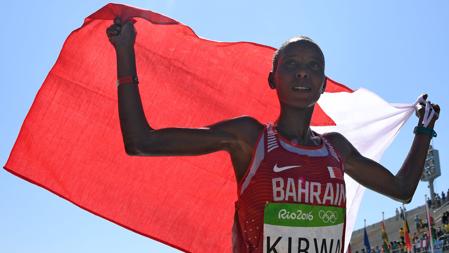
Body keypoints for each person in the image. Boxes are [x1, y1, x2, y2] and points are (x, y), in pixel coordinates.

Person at [106, 17, 440, 253]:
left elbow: (401, 190)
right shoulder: (249, 138)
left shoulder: (336, 149)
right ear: (272, 79)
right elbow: (142, 142)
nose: (302, 71)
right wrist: (124, 54)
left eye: (314, 66)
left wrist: (424, 129)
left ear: (323, 84)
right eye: (292, 63)